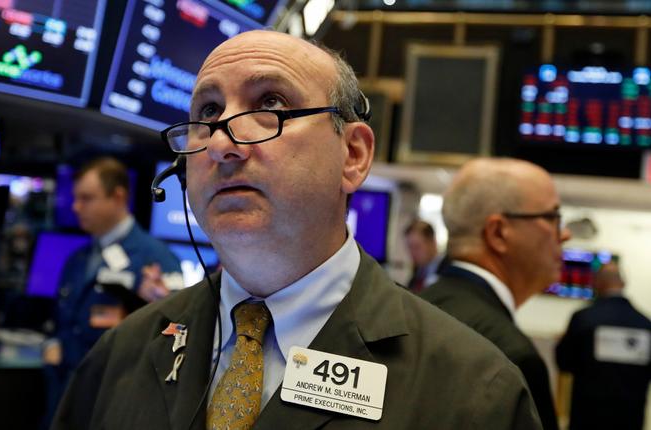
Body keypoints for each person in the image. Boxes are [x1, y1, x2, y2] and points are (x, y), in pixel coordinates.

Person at [52, 31, 542, 430]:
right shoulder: (121, 354)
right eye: (207, 113)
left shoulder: (475, 391)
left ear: (353, 156)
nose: (225, 142)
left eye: (271, 103)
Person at [420, 157, 570, 430]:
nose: (566, 234)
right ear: (498, 233)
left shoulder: (411, 312)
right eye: (552, 218)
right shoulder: (512, 356)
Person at [43, 157, 183, 425]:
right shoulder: (78, 258)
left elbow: (176, 339)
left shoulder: (156, 258)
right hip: (63, 393)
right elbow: (61, 321)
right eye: (76, 198)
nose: (76, 207)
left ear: (118, 197)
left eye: (87, 198)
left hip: (114, 400)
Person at [556, 261, 651, 430]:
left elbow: (564, 363)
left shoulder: (583, 319)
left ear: (596, 283)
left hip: (587, 420)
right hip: (630, 421)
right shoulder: (645, 325)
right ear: (623, 283)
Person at [403, 219, 443, 292]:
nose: (412, 253)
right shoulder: (417, 273)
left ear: (432, 243)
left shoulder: (447, 271)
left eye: (417, 247)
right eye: (410, 247)